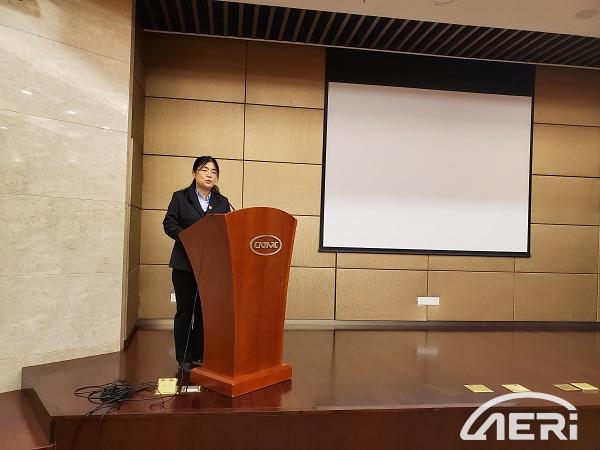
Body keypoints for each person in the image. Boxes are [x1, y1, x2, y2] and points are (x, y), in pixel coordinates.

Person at [163, 156, 231, 373]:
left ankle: (201, 352)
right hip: (184, 264)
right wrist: (187, 237)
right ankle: (183, 356)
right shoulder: (180, 197)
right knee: (185, 311)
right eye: (204, 170)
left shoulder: (222, 201)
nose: (209, 174)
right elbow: (169, 223)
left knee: (205, 312)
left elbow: (229, 229)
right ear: (194, 173)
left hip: (210, 266)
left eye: (213, 171)